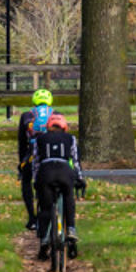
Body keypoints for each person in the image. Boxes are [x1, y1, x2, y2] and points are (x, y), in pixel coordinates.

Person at [31, 113, 85, 260]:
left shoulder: (39, 139)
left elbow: (35, 162)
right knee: (68, 198)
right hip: (64, 172)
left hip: (46, 172)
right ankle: (71, 229)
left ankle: (44, 242)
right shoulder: (70, 138)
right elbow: (75, 160)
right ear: (64, 127)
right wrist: (80, 178)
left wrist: (36, 181)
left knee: (45, 207)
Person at [16, 89, 54, 230]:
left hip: (32, 155)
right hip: (52, 154)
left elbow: (22, 142)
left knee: (26, 180)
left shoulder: (26, 116)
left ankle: (32, 218)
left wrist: (21, 163)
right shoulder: (56, 114)